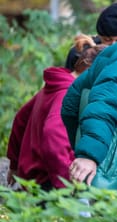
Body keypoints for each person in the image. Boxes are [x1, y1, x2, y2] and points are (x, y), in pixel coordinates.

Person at [6, 34, 107, 191]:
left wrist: (14, 164)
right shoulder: (67, 95)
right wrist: (67, 188)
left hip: (35, 180)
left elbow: (21, 118)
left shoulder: (57, 85)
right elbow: (53, 136)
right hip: (49, 183)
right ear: (93, 71)